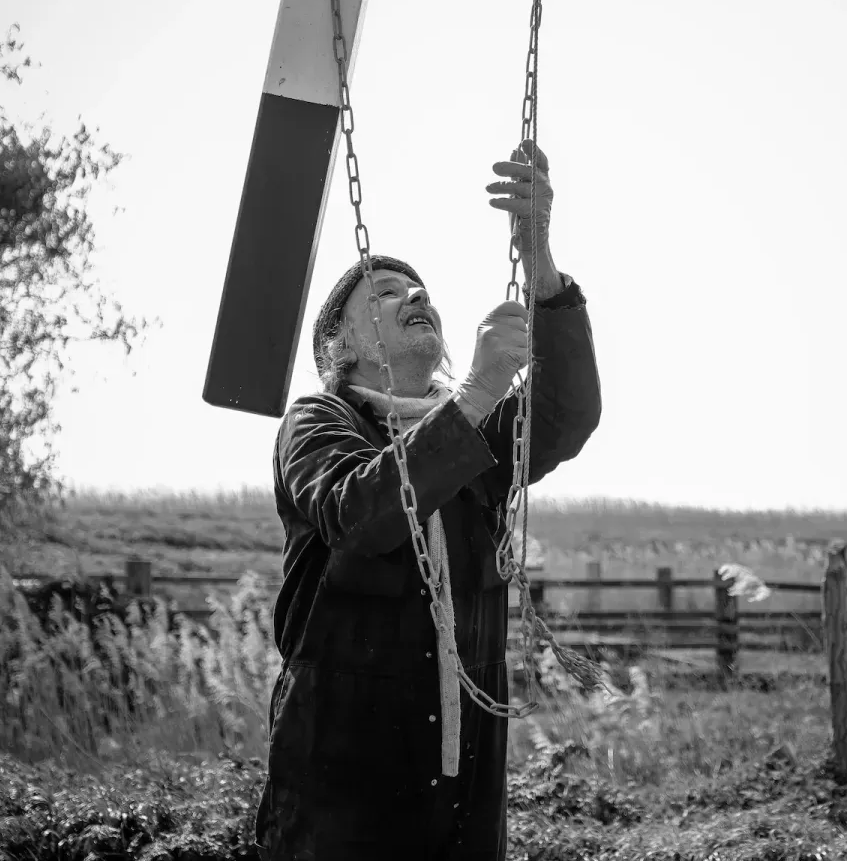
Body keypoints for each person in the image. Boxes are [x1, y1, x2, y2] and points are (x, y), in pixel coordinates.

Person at [252, 140, 601, 861]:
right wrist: (477, 393)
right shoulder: (319, 422)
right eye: (384, 294)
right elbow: (362, 515)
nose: (415, 296)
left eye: (418, 289)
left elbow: (568, 413)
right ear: (340, 345)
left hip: (463, 787)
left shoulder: (475, 431)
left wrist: (538, 260)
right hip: (341, 783)